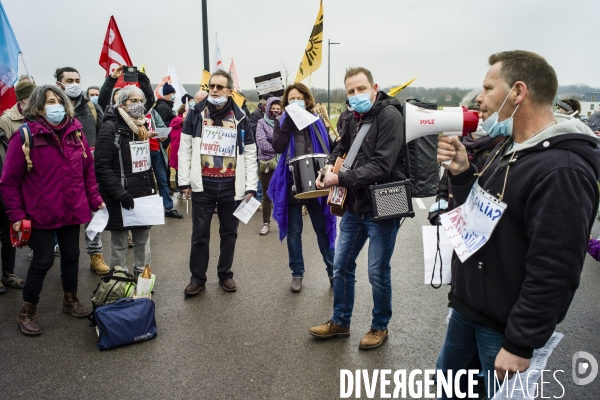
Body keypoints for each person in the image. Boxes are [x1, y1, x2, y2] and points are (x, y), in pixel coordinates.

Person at [435, 50, 600, 398]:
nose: (479, 98)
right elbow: (479, 217)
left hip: (503, 329)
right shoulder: (510, 148)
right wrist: (463, 173)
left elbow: (554, 268)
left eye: (488, 87)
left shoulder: (562, 170)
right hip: (469, 311)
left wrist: (521, 342)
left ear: (518, 92)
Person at [309, 67, 405, 350]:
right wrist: (329, 165)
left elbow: (382, 165)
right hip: (354, 203)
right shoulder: (350, 116)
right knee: (341, 265)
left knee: (377, 271)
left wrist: (339, 178)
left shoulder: (390, 116)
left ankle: (379, 326)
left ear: (374, 88)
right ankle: (340, 321)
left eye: (361, 89)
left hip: (385, 200)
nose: (356, 95)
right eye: (351, 91)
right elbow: (341, 148)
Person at [0, 85, 105, 336]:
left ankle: (70, 299)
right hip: (41, 213)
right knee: (43, 260)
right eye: (49, 101)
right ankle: (27, 309)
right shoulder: (26, 136)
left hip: (72, 209)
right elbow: (9, 181)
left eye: (58, 100)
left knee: (71, 256)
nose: (56, 105)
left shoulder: (75, 133)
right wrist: (16, 216)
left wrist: (95, 199)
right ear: (38, 106)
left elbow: (87, 172)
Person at [179, 70, 258, 295]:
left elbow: (250, 153)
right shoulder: (195, 113)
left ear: (229, 91)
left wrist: (251, 185)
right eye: (211, 86)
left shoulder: (241, 117)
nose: (214, 90)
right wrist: (184, 182)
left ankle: (225, 274)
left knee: (229, 234)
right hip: (203, 185)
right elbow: (185, 149)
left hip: (232, 186)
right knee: (200, 234)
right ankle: (197, 278)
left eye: (219, 87)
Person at [270, 83, 336, 293]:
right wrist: (287, 122)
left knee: (322, 229)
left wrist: (337, 142)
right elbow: (278, 147)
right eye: (291, 99)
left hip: (316, 179)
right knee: (294, 231)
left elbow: (328, 148)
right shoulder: (282, 122)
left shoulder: (317, 121)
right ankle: (297, 274)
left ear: (306, 100)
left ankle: (333, 272)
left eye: (298, 98)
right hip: (292, 181)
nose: (295, 101)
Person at [94, 86, 154, 276]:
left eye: (141, 101)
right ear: (122, 103)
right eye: (133, 101)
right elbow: (102, 167)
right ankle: (120, 282)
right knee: (119, 244)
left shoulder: (141, 127)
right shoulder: (110, 128)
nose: (138, 105)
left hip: (143, 195)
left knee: (143, 242)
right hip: (120, 196)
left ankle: (143, 280)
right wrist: (120, 194)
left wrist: (152, 190)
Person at [55, 67, 109, 274]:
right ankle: (63, 259)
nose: (75, 84)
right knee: (63, 219)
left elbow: (103, 134)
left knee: (94, 213)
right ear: (59, 84)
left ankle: (95, 254)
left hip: (89, 172)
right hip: (61, 175)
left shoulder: (90, 108)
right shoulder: (53, 108)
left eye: (77, 79)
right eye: (69, 80)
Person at [428, 89, 506, 225]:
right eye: (475, 112)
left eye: (484, 111)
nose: (480, 116)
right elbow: (443, 189)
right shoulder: (459, 145)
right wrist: (439, 215)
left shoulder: (501, 148)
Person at [0, 80, 36, 294]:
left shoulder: (37, 119)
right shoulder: (6, 120)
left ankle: (8, 273)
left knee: (10, 232)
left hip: (24, 185)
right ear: (23, 99)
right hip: (6, 181)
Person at [255, 96, 281, 235]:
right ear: (268, 108)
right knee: (266, 194)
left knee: (283, 193)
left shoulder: (285, 122)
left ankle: (283, 222)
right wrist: (279, 148)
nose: (276, 111)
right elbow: (261, 142)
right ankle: (266, 222)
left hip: (283, 162)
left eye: (278, 108)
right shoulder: (261, 122)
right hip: (267, 162)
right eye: (273, 108)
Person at [169, 104, 186, 198]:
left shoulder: (174, 120)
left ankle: (180, 190)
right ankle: (182, 189)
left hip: (174, 147)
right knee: (183, 169)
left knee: (177, 169)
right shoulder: (183, 121)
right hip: (181, 147)